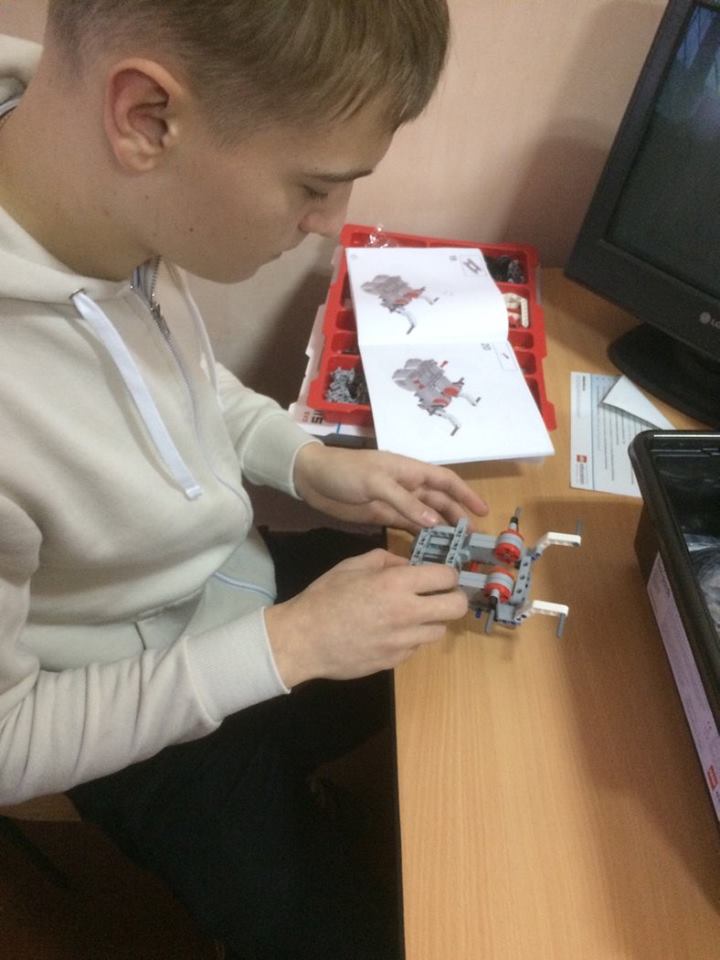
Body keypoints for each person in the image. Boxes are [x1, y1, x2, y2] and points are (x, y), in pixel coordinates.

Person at [0, 2, 488, 957]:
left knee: (467, 643)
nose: (328, 224)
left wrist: (303, 459)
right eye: (315, 185)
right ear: (147, 117)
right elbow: (10, 741)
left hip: (237, 588)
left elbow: (169, 380)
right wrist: (291, 645)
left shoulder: (90, 189)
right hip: (127, 722)